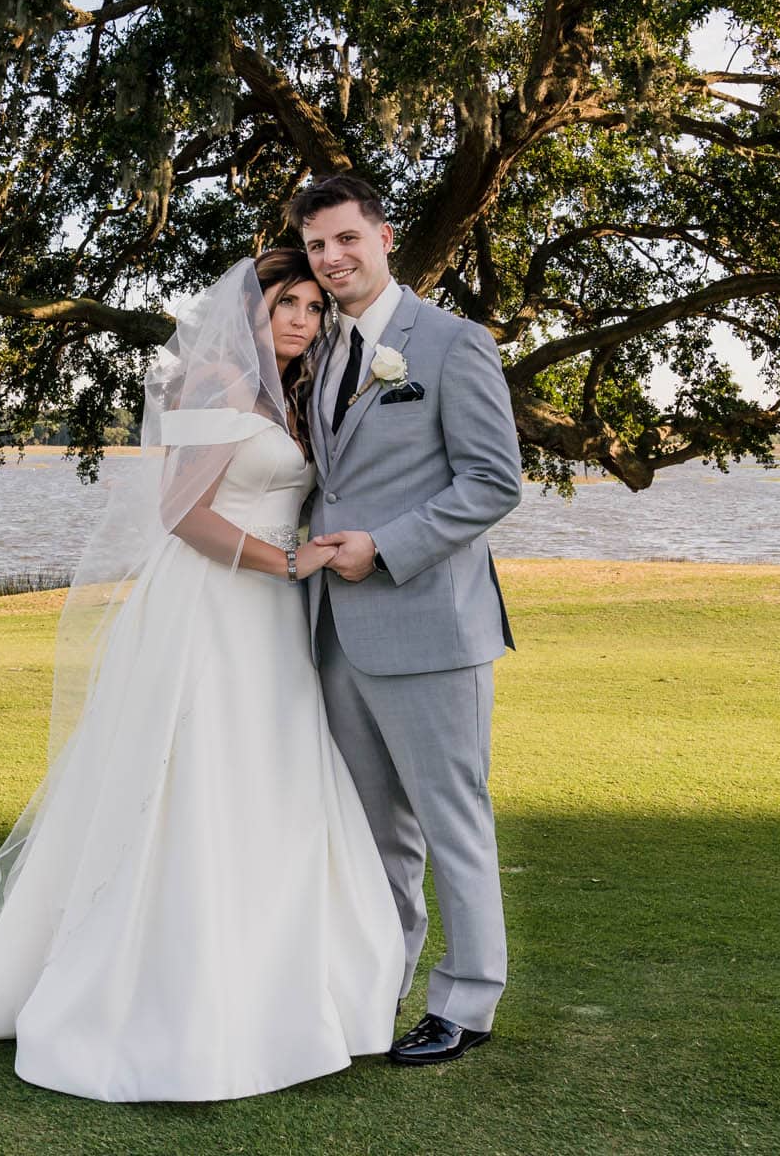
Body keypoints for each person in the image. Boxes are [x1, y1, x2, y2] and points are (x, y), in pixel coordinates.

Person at [0, 248, 404, 1102]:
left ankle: (284, 987)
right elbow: (181, 514)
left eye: (316, 309)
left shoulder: (291, 395)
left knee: (268, 778)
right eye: (288, 302)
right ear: (249, 309)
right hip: (214, 606)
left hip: (272, 618)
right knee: (194, 776)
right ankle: (166, 997)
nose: (302, 321)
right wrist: (283, 563)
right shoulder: (215, 382)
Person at [295, 174, 524, 1065]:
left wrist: (384, 547)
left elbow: (493, 482)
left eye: (347, 239)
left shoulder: (453, 343)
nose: (333, 258)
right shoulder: (317, 351)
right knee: (375, 829)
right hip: (335, 633)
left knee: (449, 816)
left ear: (385, 238)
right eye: (317, 247)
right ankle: (376, 988)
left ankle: (465, 1004)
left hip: (429, 623)